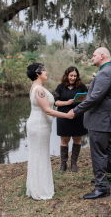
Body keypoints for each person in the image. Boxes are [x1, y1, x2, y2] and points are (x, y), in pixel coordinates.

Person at [73, 47, 111, 200]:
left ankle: (102, 187)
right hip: (106, 118)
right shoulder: (110, 71)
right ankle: (108, 177)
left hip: (100, 120)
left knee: (98, 152)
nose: (91, 58)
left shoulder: (104, 73)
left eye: (93, 56)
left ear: (101, 56)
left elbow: (94, 99)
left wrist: (75, 111)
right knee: (107, 148)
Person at [26, 63, 75, 200]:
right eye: (43, 70)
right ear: (37, 73)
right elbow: (47, 110)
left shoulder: (37, 88)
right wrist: (67, 115)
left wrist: (48, 123)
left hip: (40, 125)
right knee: (40, 156)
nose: (46, 72)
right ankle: (39, 190)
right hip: (38, 126)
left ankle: (36, 187)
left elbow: (44, 111)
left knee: (38, 155)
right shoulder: (39, 90)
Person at [54, 66, 88, 173]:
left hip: (78, 116)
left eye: (75, 76)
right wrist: (67, 103)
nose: (73, 78)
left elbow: (88, 99)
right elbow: (55, 102)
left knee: (77, 139)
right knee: (64, 141)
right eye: (71, 76)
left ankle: (74, 163)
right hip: (63, 116)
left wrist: (83, 101)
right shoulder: (60, 87)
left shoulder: (81, 86)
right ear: (67, 76)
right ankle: (63, 165)